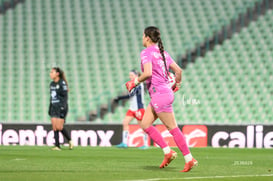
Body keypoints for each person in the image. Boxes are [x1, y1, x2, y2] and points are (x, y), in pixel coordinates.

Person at [126, 26, 198, 172]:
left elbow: (147, 73)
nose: (142, 38)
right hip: (163, 93)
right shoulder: (162, 52)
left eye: (142, 36)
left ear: (147, 37)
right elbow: (178, 71)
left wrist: (133, 83)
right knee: (145, 124)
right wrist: (176, 84)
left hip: (159, 94)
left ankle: (189, 159)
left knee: (173, 128)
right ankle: (168, 152)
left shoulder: (146, 53)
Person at [115, 70, 148, 149]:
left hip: (138, 109)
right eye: (130, 75)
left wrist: (120, 98)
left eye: (132, 75)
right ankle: (124, 143)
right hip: (132, 108)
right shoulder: (133, 84)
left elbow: (132, 95)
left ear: (136, 76)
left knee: (143, 126)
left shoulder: (139, 84)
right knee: (125, 123)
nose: (130, 77)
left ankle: (145, 144)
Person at [48, 67, 73, 151]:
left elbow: (65, 97)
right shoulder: (52, 84)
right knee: (54, 127)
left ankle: (70, 140)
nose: (50, 74)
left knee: (59, 127)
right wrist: (50, 107)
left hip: (61, 107)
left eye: (52, 72)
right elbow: (51, 97)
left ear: (57, 73)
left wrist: (63, 107)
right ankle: (57, 146)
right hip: (53, 107)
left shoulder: (62, 83)